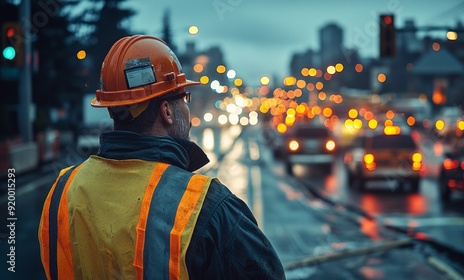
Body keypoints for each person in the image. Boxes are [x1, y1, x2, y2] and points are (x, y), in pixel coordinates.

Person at [38, 35, 285, 280]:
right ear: (167, 111)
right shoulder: (205, 206)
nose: (187, 112)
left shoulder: (61, 192)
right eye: (184, 98)